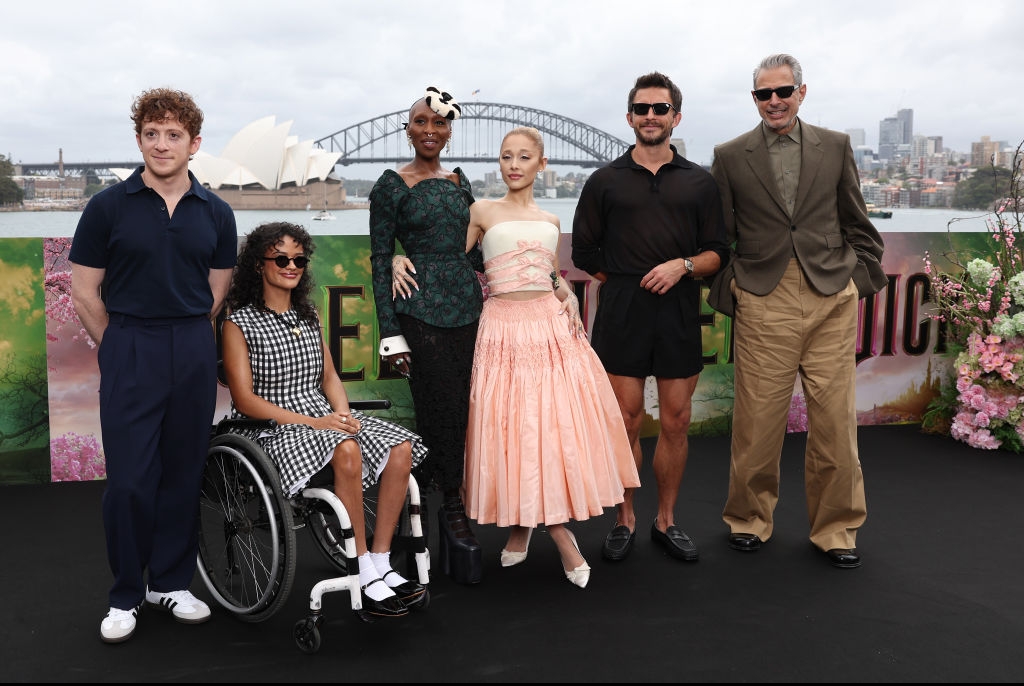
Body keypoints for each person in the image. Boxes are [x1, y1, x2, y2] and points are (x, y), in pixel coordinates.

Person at [69, 88, 238, 643]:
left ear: (194, 143)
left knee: (183, 472)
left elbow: (215, 292)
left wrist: (184, 333)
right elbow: (85, 290)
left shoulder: (216, 212)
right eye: (151, 133)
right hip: (131, 345)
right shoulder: (107, 207)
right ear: (139, 138)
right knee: (130, 482)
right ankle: (126, 594)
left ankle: (171, 582)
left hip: (191, 344)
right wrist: (119, 345)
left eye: (173, 135)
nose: (161, 144)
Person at [707, 53, 886, 569]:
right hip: (765, 295)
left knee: (834, 423)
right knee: (757, 421)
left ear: (801, 93)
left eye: (783, 92)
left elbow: (857, 222)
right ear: (755, 100)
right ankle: (748, 519)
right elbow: (720, 236)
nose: (774, 102)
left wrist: (855, 277)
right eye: (764, 94)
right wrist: (736, 286)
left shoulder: (835, 146)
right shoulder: (731, 154)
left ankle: (836, 530)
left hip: (831, 294)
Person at [458, 127, 640, 589]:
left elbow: (545, 272)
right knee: (513, 427)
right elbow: (448, 263)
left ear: (542, 165)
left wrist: (567, 293)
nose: (513, 164)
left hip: (551, 330)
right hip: (501, 328)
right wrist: (400, 260)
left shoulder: (550, 219)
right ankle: (549, 535)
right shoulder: (479, 211)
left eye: (523, 157)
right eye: (505, 157)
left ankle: (534, 530)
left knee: (548, 428)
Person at [221, 221, 430, 616]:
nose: (291, 265)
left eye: (299, 258)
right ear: (258, 265)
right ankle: (362, 564)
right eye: (281, 257)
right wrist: (317, 424)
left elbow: (330, 377)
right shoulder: (240, 323)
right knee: (346, 447)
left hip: (322, 414)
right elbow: (245, 400)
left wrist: (342, 414)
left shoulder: (309, 315)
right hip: (271, 427)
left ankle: (381, 561)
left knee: (400, 446)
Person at [572, 71, 729, 564]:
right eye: (642, 108)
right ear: (630, 117)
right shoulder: (604, 181)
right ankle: (625, 519)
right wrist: (622, 279)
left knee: (677, 420)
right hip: (622, 314)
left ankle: (666, 520)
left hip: (679, 312)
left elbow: (718, 252)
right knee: (625, 420)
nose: (651, 116)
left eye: (660, 109)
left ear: (675, 117)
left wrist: (680, 267)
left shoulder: (700, 182)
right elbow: (583, 250)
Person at [369, 86, 485, 585]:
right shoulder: (390, 184)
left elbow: (480, 249)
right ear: (408, 128)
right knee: (438, 406)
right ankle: (451, 508)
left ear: (449, 130)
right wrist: (389, 332)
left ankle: (426, 510)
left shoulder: (461, 182)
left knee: (464, 408)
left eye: (439, 123)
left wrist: (533, 275)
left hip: (467, 305)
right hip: (418, 308)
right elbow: (379, 258)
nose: (430, 131)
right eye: (421, 122)